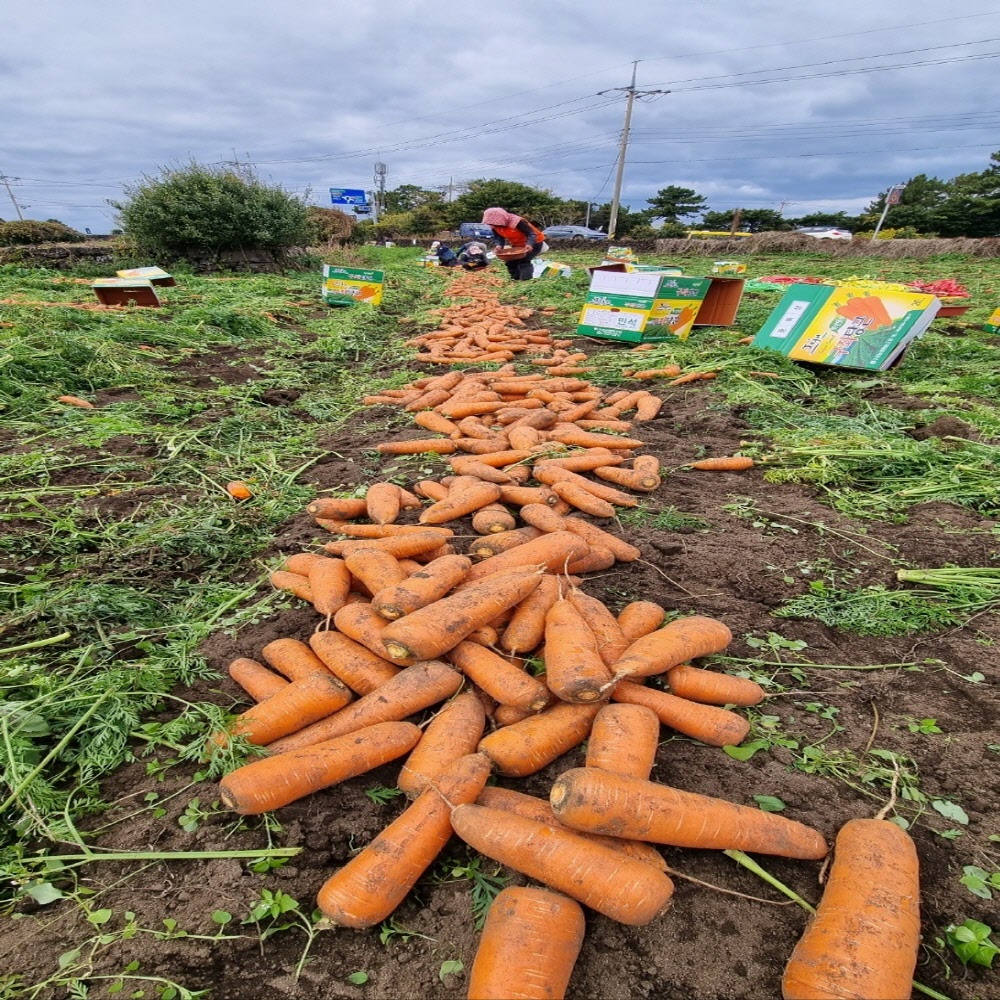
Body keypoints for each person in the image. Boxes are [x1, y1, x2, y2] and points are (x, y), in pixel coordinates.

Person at [481, 207, 547, 281]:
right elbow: (498, 237)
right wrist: (499, 245)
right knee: (511, 261)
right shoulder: (494, 226)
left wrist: (530, 244)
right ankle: (515, 279)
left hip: (534, 241)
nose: (494, 225)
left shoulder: (517, 222)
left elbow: (531, 233)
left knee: (524, 260)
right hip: (517, 244)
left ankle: (526, 280)